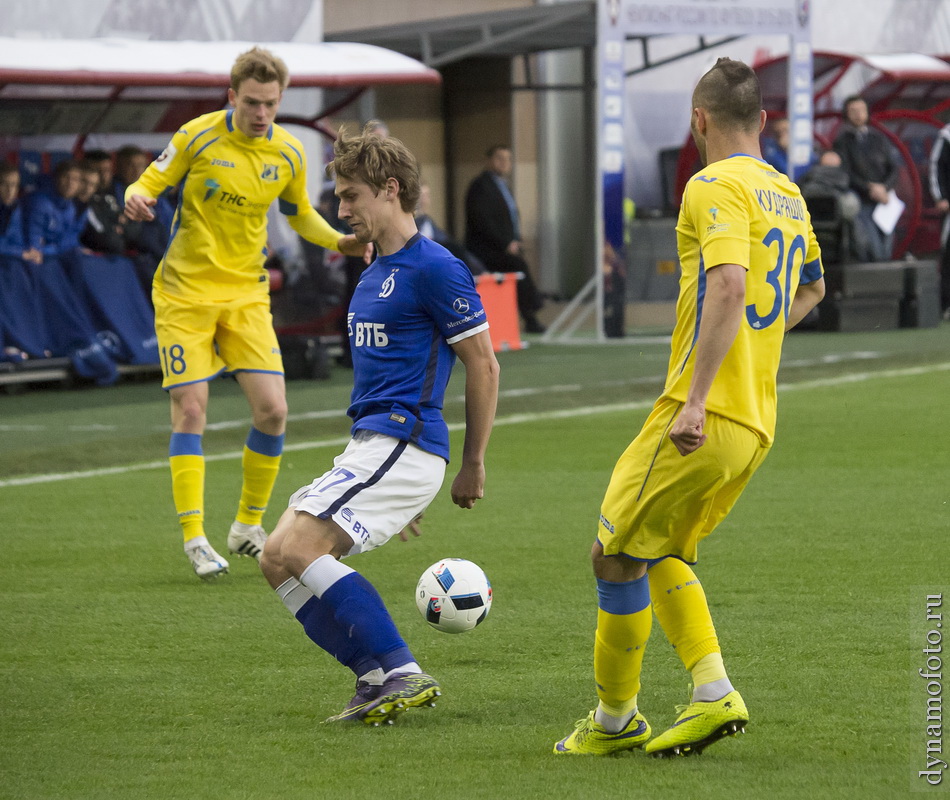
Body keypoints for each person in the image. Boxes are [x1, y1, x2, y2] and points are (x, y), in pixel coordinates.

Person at [554, 58, 825, 758]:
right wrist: (749, 351)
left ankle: (618, 721)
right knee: (658, 547)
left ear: (698, 121)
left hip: (699, 413)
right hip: (757, 420)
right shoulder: (787, 193)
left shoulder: (711, 184)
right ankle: (706, 693)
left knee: (611, 554)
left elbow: (730, 286)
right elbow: (813, 291)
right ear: (762, 121)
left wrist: (698, 397)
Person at [258, 124, 499, 726]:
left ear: (390, 190)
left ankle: (400, 669)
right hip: (374, 448)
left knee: (302, 545)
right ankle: (372, 679)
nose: (341, 210)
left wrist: (469, 463)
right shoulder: (371, 270)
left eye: (350, 196)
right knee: (273, 556)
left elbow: (484, 364)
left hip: (404, 440)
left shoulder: (435, 268)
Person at [124, 46, 367, 580]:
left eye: (271, 104)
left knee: (274, 411)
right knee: (191, 410)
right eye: (253, 103)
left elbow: (300, 213)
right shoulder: (197, 136)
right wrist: (135, 197)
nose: (262, 114)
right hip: (184, 293)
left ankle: (247, 527)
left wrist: (340, 242)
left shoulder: (287, 152)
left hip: (247, 297)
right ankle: (194, 538)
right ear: (232, 96)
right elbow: (150, 181)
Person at [465, 145, 546, 333]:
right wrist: (505, 243)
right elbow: (482, 221)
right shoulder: (480, 186)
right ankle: (533, 310)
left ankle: (531, 314)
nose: (504, 163)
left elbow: (508, 217)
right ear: (488, 161)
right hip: (485, 250)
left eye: (508, 159)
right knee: (518, 266)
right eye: (499, 158)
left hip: (502, 247)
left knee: (518, 266)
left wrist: (514, 240)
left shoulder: (502, 185)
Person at [833, 95, 898, 262]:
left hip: (884, 200)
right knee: (871, 245)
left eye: (861, 110)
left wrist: (884, 187)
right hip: (860, 200)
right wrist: (869, 188)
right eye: (853, 111)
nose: (858, 114)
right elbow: (846, 172)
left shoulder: (879, 138)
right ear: (846, 115)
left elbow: (894, 167)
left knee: (887, 243)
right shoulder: (843, 141)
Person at [416, 183, 485, 275]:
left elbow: (449, 244)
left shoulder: (429, 223)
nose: (424, 201)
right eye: (421, 196)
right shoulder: (412, 225)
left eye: (427, 196)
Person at [928, 121, 950, 316]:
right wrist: (941, 197)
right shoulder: (946, 136)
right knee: (948, 255)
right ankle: (946, 303)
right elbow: (936, 166)